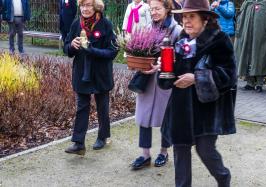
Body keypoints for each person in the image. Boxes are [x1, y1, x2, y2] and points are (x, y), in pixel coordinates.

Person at [159, 0, 237, 186]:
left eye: (191, 16)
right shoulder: (180, 40)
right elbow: (168, 80)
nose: (186, 21)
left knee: (205, 151)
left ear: (205, 19)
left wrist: (196, 78)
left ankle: (223, 176)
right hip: (180, 108)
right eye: (184, 16)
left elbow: (229, 75)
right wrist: (163, 69)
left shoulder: (219, 40)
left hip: (207, 110)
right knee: (180, 151)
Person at [130, 0, 182, 170]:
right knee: (144, 118)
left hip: (165, 82)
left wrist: (163, 65)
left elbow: (181, 60)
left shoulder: (177, 31)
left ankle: (164, 152)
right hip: (146, 79)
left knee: (166, 119)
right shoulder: (147, 28)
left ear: (167, 9)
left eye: (157, 8)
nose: (153, 12)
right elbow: (139, 50)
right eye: (151, 9)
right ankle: (145, 155)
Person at [64, 0, 118, 155]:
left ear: (96, 7)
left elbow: (112, 52)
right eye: (82, 6)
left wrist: (92, 50)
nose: (85, 9)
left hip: (100, 73)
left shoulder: (105, 24)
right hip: (82, 74)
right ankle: (78, 143)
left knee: (102, 107)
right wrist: (71, 46)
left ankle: (103, 136)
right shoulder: (76, 24)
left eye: (88, 5)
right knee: (82, 106)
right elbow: (66, 48)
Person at [234, 0, 266, 93]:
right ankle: (250, 83)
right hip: (247, 36)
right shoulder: (247, 3)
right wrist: (239, 31)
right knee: (248, 58)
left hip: (262, 37)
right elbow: (240, 18)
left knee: (259, 58)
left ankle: (259, 83)